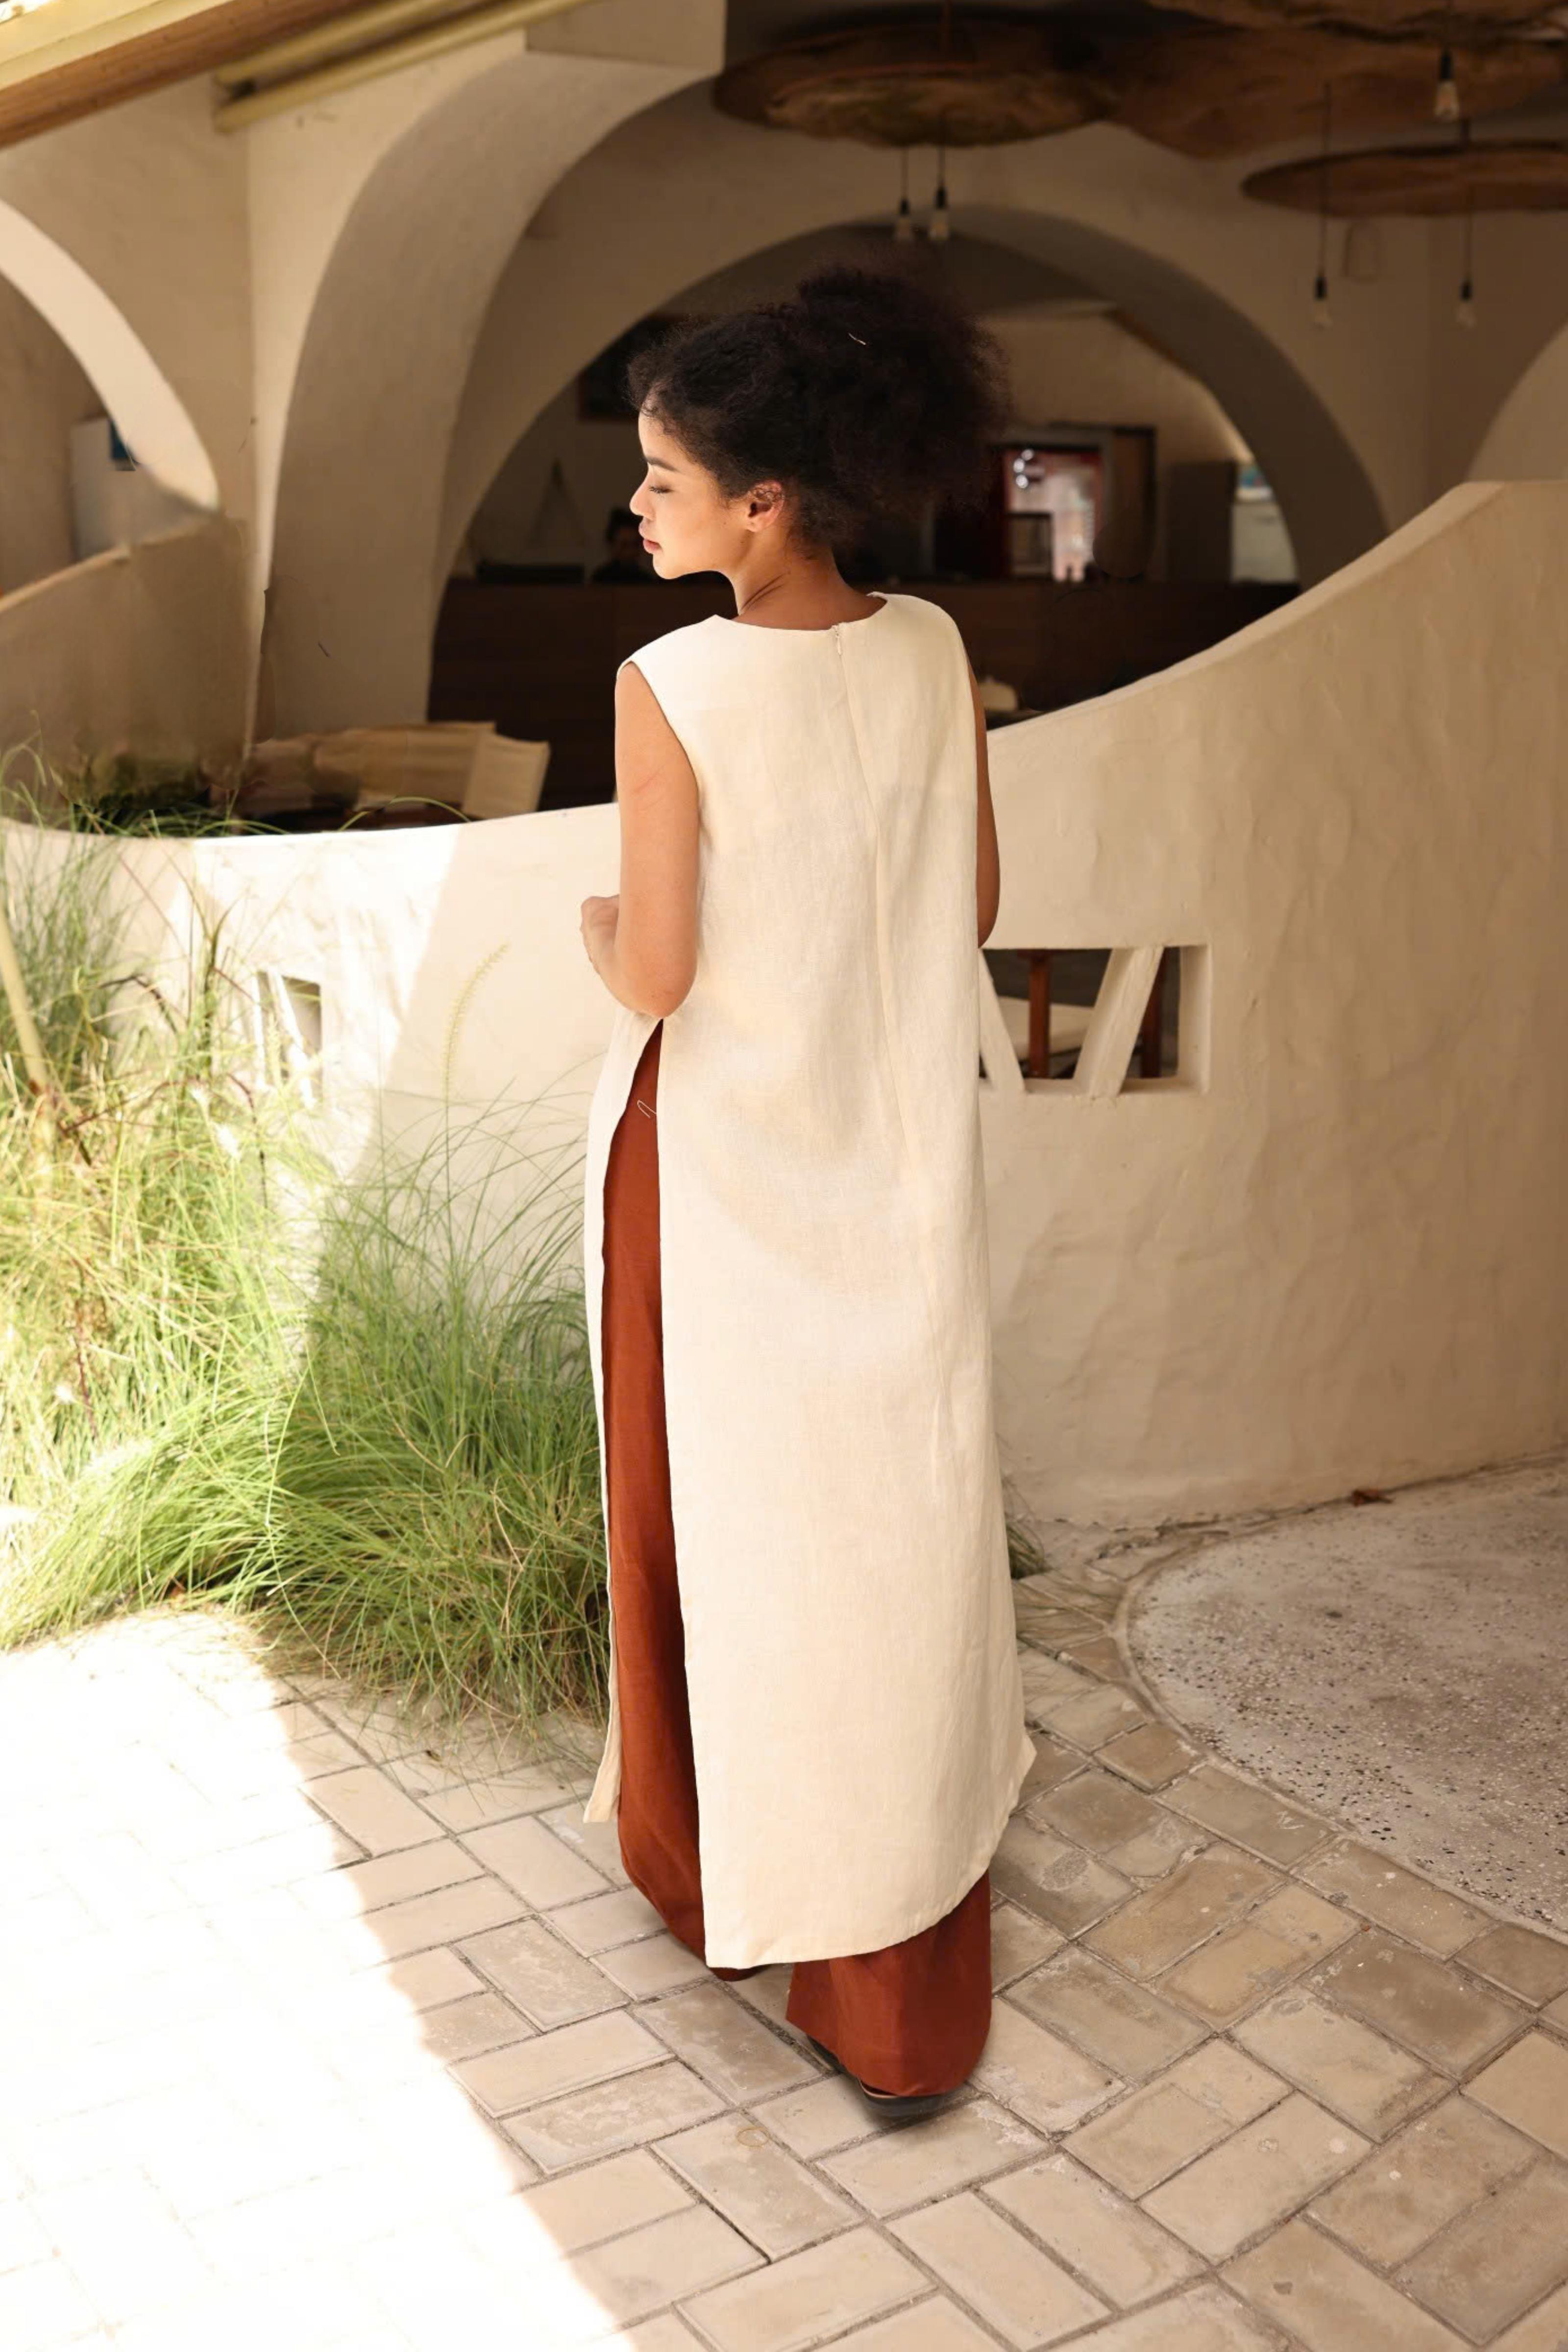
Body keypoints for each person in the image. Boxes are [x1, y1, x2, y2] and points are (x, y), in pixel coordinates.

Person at [576, 268, 1033, 2121]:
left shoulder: (670, 684)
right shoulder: (928, 648)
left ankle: (720, 1873)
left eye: (663, 477)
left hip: (722, 1178)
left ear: (763, 500)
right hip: (894, 1171)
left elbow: (657, 969)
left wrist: (592, 924)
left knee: (725, 1528)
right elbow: (970, 904)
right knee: (886, 1531)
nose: (635, 504)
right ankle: (900, 1964)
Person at [590, 507, 656, 584]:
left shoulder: (646, 581)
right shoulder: (600, 579)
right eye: (624, 545)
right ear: (612, 545)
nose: (630, 551)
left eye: (635, 544)